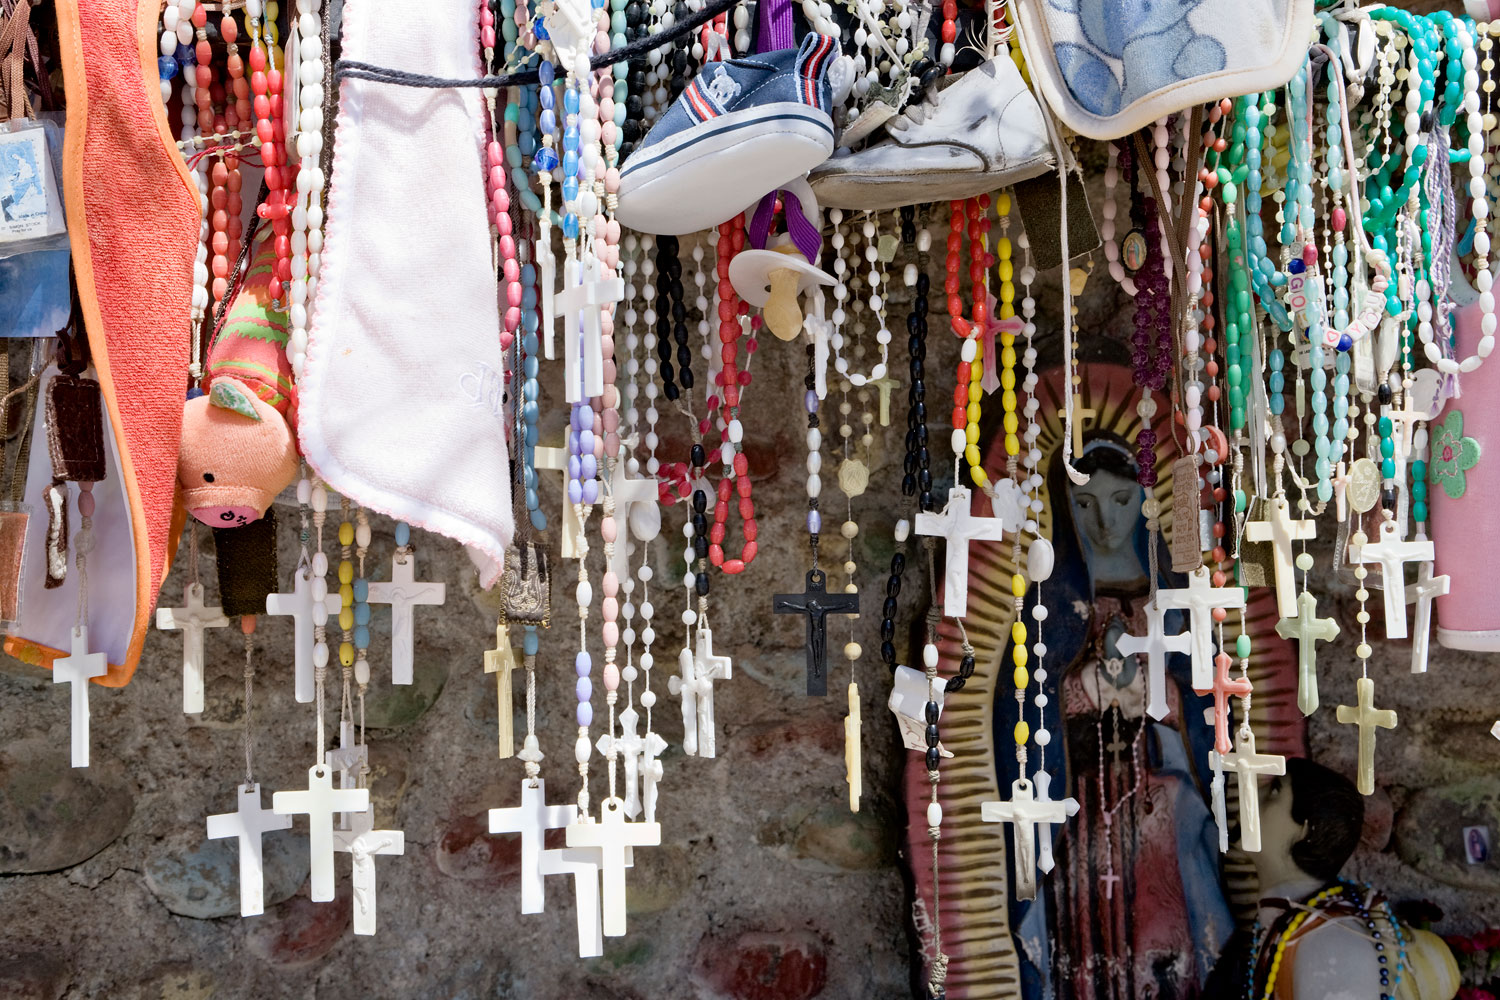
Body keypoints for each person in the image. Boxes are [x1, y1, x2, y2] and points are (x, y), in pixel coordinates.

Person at [996, 432, 1232, 1000]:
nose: (1104, 520)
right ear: (1062, 506)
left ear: (1146, 502)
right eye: (1084, 504)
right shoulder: (1049, 600)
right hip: (1080, 802)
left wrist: (1158, 697)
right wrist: (1084, 687)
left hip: (1160, 802)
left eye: (1121, 501)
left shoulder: (1170, 596)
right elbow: (1023, 705)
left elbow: (1202, 705)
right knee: (1084, 934)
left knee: (1164, 927)